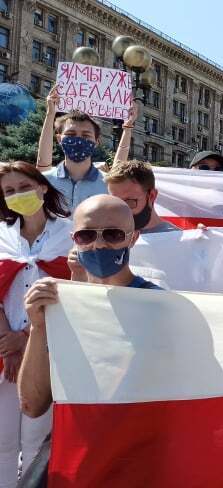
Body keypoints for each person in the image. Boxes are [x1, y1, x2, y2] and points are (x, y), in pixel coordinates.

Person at [19, 195, 160, 420]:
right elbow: (32, 406)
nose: (99, 244)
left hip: (138, 444)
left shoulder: (157, 305)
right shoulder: (58, 305)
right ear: (74, 239)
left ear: (133, 238)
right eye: (87, 235)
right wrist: (38, 328)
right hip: (79, 446)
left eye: (113, 234)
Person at [0, 162, 71, 487]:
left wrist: (26, 339)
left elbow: (71, 292)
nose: (18, 195)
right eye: (10, 191)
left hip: (45, 351)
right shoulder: (1, 235)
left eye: (24, 187)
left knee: (34, 440)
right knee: (2, 442)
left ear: (42, 187)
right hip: (4, 353)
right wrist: (8, 340)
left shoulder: (69, 234)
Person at [35, 91, 113, 210]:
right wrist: (50, 114)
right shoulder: (44, 181)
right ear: (59, 139)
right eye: (71, 134)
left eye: (86, 135)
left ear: (96, 142)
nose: (78, 139)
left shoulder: (109, 185)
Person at [105, 160, 180, 234]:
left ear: (151, 196)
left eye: (129, 202)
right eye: (116, 203)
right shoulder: (104, 238)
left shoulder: (177, 240)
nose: (122, 211)